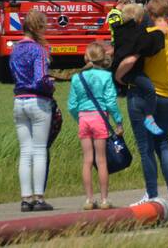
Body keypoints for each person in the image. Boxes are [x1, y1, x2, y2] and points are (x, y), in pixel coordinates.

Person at [117, 0, 168, 204]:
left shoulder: (146, 35)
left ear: (149, 13)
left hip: (141, 97)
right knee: (164, 145)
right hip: (166, 96)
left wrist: (119, 76)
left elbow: (131, 60)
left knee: (145, 147)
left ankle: (151, 193)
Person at [67, 42, 123, 211]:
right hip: (100, 119)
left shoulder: (77, 77)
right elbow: (111, 102)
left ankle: (89, 199)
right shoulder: (106, 77)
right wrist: (118, 121)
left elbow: (72, 105)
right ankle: (104, 199)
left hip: (84, 118)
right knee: (101, 160)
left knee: (87, 160)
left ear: (86, 57)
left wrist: (80, 118)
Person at [10, 10, 55, 212]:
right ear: (38, 28)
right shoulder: (38, 50)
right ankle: (38, 197)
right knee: (39, 150)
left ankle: (25, 197)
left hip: (19, 100)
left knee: (25, 151)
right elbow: (40, 78)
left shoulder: (16, 49)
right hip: (38, 101)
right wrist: (50, 85)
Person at [110, 3, 164, 136]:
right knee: (150, 90)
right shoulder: (137, 33)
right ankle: (149, 117)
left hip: (121, 70)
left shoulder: (119, 31)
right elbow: (137, 53)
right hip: (131, 71)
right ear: (139, 19)